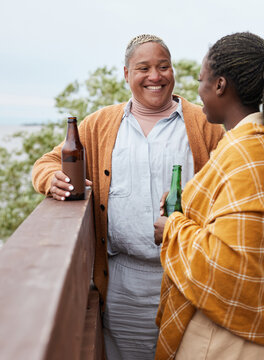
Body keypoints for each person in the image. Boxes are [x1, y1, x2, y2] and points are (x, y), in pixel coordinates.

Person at [32, 34, 224, 360]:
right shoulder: (102, 124)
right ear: (126, 74)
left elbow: (232, 182)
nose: (155, 76)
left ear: (173, 71)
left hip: (188, 273)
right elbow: (46, 163)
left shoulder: (204, 124)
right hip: (124, 282)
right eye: (143, 68)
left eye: (163, 67)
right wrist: (51, 180)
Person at [154, 32, 264, 360]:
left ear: (220, 85)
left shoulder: (246, 151)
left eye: (201, 80)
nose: (198, 90)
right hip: (259, 324)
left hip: (226, 338)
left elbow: (226, 266)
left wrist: (172, 228)